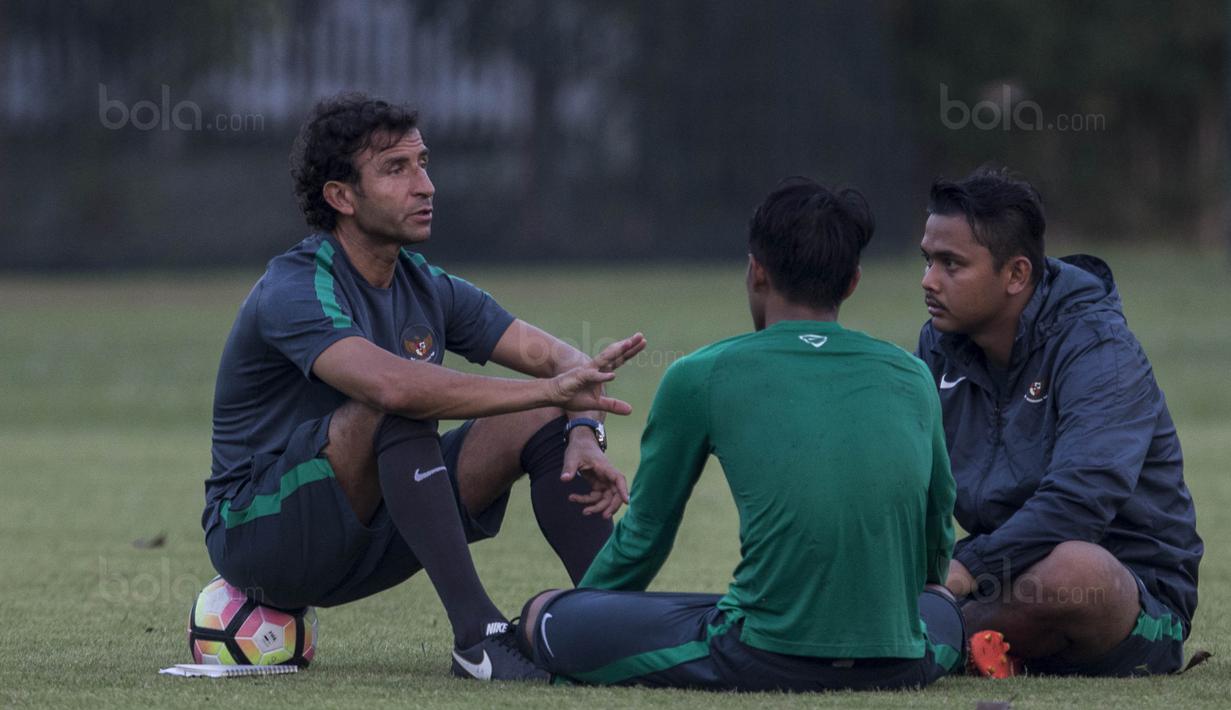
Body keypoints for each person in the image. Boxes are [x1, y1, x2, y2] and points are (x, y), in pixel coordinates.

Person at [201, 92, 647, 681]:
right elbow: (393, 388)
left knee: (539, 420)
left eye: (423, 162)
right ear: (341, 197)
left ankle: (618, 624)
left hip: (374, 527)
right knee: (399, 402)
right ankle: (479, 638)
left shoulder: (427, 285)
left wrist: (582, 428)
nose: (426, 184)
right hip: (263, 534)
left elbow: (564, 363)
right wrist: (554, 392)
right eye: (396, 168)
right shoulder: (294, 285)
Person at [515, 178, 964, 692]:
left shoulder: (701, 374)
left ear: (756, 272)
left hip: (763, 656)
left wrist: (585, 608)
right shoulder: (913, 375)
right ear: (853, 282)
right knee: (944, 606)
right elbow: (936, 537)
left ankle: (564, 617)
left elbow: (644, 539)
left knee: (544, 615)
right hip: (902, 660)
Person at [916, 168, 1203, 677]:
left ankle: (918, 639)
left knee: (1074, 571)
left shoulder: (1098, 348)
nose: (929, 280)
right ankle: (958, 636)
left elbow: (1080, 501)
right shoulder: (940, 346)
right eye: (928, 260)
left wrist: (966, 569)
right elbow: (917, 485)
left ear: (1016, 275)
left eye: (951, 264)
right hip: (999, 571)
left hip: (1129, 594)